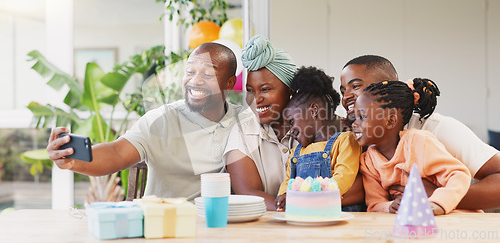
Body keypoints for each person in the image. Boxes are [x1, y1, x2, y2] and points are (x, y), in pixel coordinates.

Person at [47, 42, 251, 200]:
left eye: (207, 73)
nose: (194, 80)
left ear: (230, 83)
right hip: (163, 227)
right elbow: (116, 152)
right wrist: (74, 160)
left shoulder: (242, 122)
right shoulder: (161, 120)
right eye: (189, 72)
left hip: (216, 227)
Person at [340, 55, 500, 211]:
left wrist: (435, 196)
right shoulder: (360, 140)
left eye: (355, 86)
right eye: (342, 91)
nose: (346, 97)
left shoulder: (436, 130)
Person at [354, 79, 472, 214]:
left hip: (455, 217)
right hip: (413, 224)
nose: (354, 124)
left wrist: (436, 203)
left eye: (362, 117)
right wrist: (390, 206)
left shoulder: (419, 142)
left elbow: (459, 175)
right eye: (355, 117)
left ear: (390, 120)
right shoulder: (368, 161)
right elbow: (374, 205)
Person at [224, 35, 297, 210]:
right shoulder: (241, 132)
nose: (256, 99)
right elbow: (248, 192)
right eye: (250, 91)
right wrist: (301, 208)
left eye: (265, 89)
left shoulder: (317, 125)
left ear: (290, 89)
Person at [275, 66, 361, 211]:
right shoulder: (296, 152)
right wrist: (283, 195)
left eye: (291, 122)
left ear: (314, 111)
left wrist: (311, 195)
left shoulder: (345, 140)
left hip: (337, 214)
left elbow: (344, 176)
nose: (290, 131)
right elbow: (288, 181)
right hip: (306, 215)